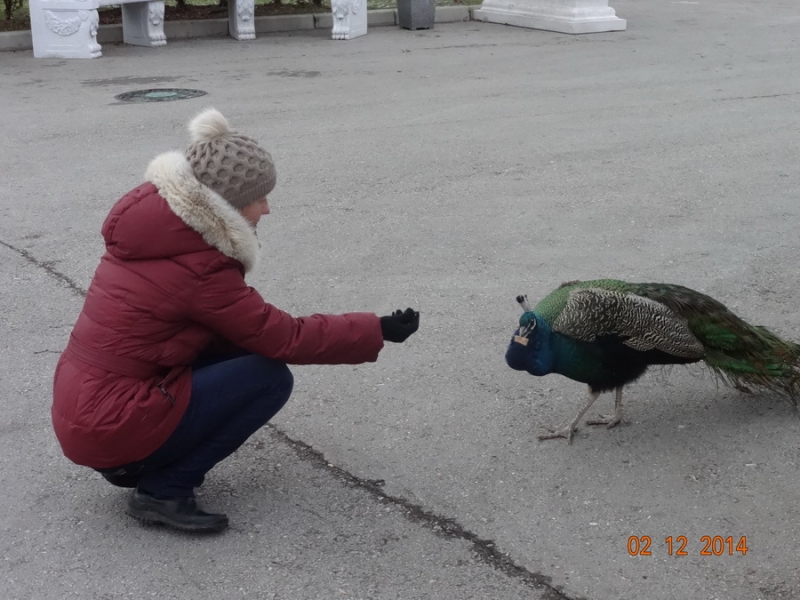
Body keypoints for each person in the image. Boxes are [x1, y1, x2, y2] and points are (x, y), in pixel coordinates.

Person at [51, 108, 420, 534]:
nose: (267, 208)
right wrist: (376, 328)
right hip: (108, 421)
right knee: (269, 376)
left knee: (240, 350)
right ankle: (163, 488)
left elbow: (235, 331)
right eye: (259, 197)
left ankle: (133, 461)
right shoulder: (199, 267)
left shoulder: (160, 231)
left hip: (86, 406)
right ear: (225, 205)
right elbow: (284, 338)